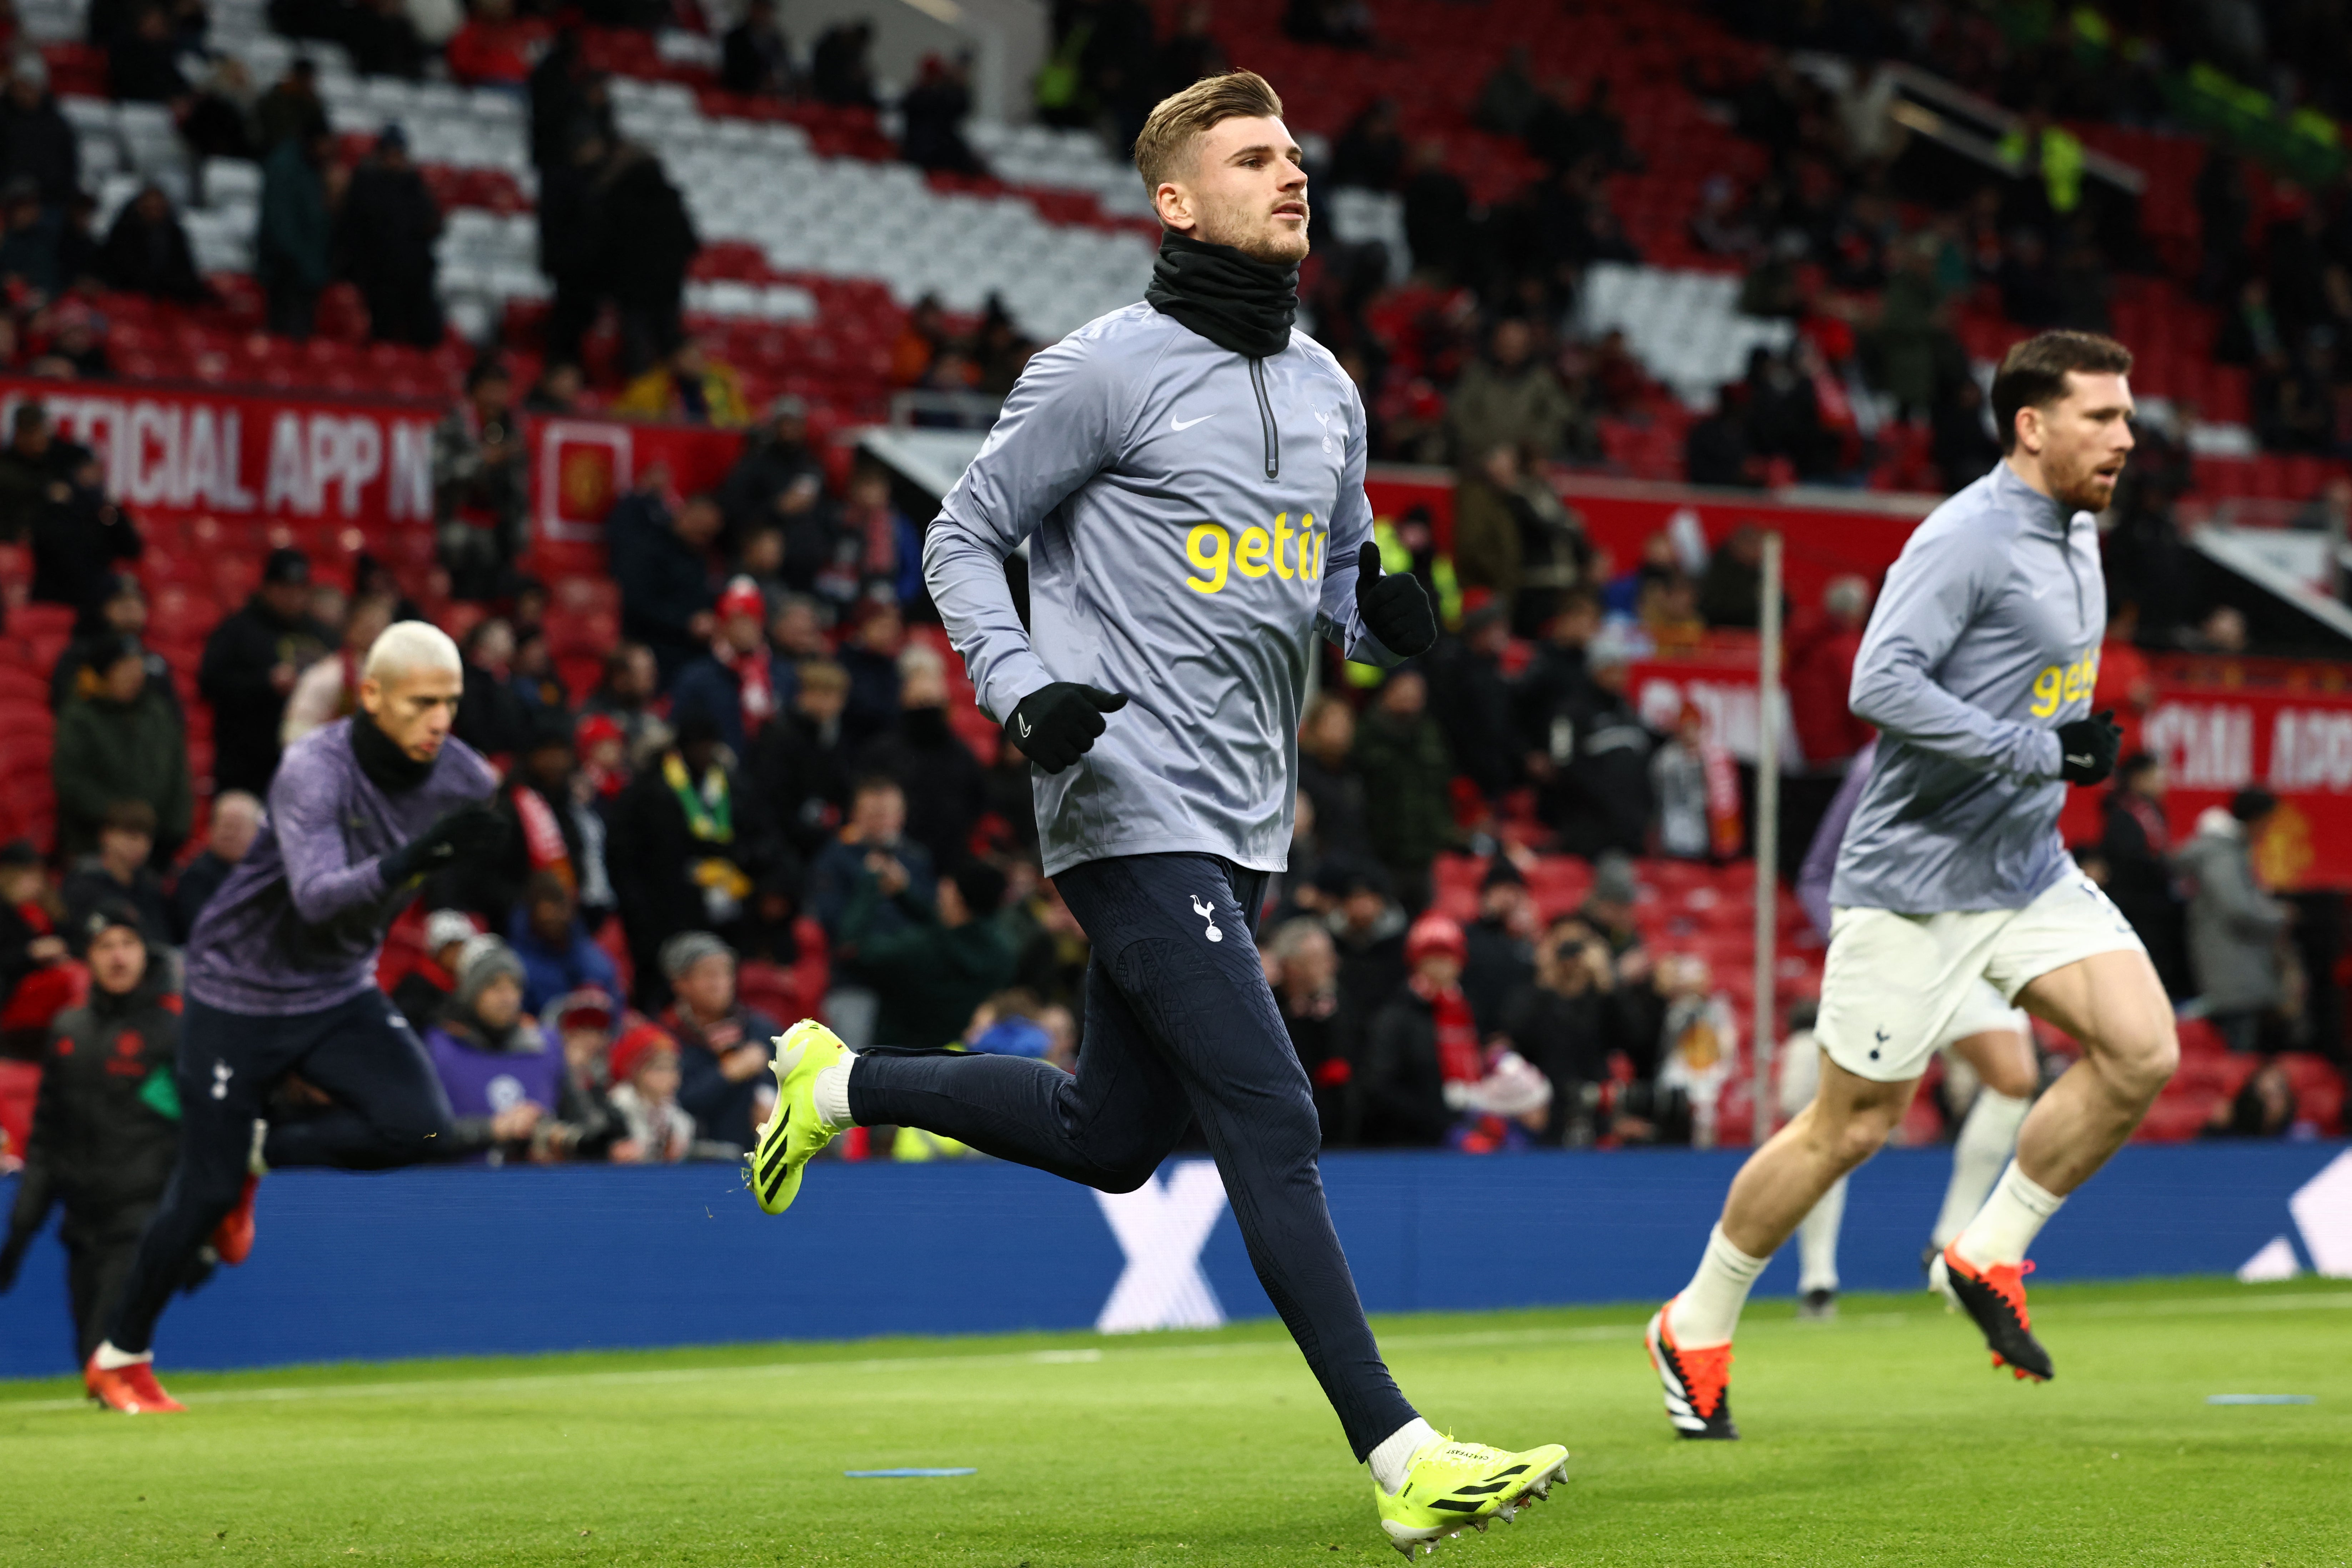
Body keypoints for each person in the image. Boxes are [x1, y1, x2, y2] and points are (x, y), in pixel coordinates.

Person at [742, 72, 1563, 1547]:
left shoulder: (1329, 389)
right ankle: (1404, 1456)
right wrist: (1018, 685)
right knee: (1270, 1107)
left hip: (1247, 815)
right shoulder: (1101, 371)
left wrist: (1385, 621)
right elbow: (961, 533)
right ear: (1176, 201)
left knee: (1112, 1131)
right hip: (1121, 794)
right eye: (1255, 157)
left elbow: (1336, 583)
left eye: (1298, 154)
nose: (1292, 174)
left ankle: (836, 1087)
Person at [1643, 331, 2173, 1443]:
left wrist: (2062, 744)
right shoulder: (1967, 535)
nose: (2127, 438)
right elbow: (1879, 682)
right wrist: (2040, 753)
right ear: (2032, 426)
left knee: (2143, 1049)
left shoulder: (2080, 535)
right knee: (1850, 1129)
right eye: (2104, 418)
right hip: (1918, 884)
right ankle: (1694, 1322)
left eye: (2129, 417)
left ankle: (1985, 1251)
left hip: (2027, 868)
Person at [83, 621, 507, 1413]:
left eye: (450, 703)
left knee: (423, 1130)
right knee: (201, 1192)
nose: (440, 722)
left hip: (337, 987)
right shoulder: (314, 768)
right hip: (237, 990)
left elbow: (486, 847)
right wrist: (413, 861)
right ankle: (120, 1357)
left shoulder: (464, 779)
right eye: (421, 703)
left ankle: (262, 1152)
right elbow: (315, 896)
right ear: (371, 696)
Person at [1783, 738, 2041, 1318]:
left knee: (2015, 1078)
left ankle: (1949, 1246)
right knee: (1845, 1122)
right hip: (1890, 958)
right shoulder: (1872, 763)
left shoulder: (1995, 751)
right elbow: (1817, 874)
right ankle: (1817, 1279)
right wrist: (1859, 943)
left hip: (1964, 951)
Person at [0, 901, 206, 1363]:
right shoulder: (68, 1031)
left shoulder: (171, 1034)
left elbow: (198, 1137)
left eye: (128, 944)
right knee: (90, 1352)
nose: (118, 957)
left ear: (145, 953)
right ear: (88, 958)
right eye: (105, 946)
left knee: (103, 1345)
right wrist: (19, 1236)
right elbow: (47, 1141)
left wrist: (200, 1234)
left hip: (140, 1218)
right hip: (81, 1224)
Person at [606, 712, 772, 1009]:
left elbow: (758, 838)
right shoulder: (649, 791)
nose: (704, 755)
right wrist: (642, 920)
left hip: (725, 913)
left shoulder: (732, 786)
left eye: (710, 747)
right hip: (666, 918)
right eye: (698, 747)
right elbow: (626, 858)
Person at [836, 856, 1013, 1050]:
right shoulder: (1003, 954)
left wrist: (870, 883)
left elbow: (850, 949)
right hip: (956, 1063)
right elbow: (953, 932)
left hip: (895, 1060)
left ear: (956, 896)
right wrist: (904, 895)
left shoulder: (920, 949)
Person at [200, 547, 333, 796]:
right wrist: (265, 683)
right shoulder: (236, 631)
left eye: (300, 589)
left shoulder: (323, 635)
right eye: (284, 589)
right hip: (245, 768)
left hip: (307, 767)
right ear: (266, 588)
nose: (293, 597)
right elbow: (209, 683)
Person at [51, 636, 192, 864]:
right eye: (125, 667)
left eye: (138, 666)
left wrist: (175, 828)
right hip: (97, 845)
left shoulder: (157, 711)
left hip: (159, 842)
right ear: (106, 673)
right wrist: (121, 818)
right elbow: (72, 781)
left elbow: (178, 771)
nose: (135, 674)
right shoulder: (80, 716)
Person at [421, 935, 556, 1165]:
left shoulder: (546, 1047)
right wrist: (491, 1130)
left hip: (536, 1189)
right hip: (458, 1190)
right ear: (471, 994)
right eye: (494, 987)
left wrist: (552, 1134)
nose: (508, 998)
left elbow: (583, 1121)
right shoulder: (438, 1049)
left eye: (514, 986)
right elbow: (423, 1135)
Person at [2177, 787, 2290, 1053]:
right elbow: (2238, 909)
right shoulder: (2221, 856)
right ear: (2256, 818)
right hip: (2231, 972)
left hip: (2236, 970)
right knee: (2235, 1056)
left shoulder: (2232, 851)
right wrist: (2278, 917)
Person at [659, 931, 778, 1151]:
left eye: (727, 974)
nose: (720, 984)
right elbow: (671, 1101)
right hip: (694, 1160)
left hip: (758, 1158)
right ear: (681, 983)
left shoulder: (759, 1029)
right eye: (709, 976)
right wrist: (727, 1074)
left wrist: (770, 1097)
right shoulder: (665, 1037)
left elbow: (791, 1080)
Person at [337, 126, 443, 348]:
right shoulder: (366, 183)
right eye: (392, 154)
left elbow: (430, 223)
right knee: (381, 338)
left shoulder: (413, 184)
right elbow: (355, 232)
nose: (396, 160)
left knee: (426, 336)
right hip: (377, 278)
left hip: (414, 278)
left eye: (400, 154)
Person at [609, 479, 719, 685]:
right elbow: (637, 603)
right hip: (652, 648)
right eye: (701, 530)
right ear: (685, 514)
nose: (703, 539)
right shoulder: (648, 548)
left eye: (709, 534)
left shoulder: (699, 557)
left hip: (692, 653)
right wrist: (686, 623)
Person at [434, 361, 527, 602]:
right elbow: (442, 474)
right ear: (475, 390)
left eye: (503, 390)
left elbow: (520, 485)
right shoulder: (452, 426)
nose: (498, 397)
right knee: (465, 599)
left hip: (501, 533)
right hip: (461, 533)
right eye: (492, 389)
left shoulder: (511, 428)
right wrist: (482, 460)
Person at [669, 575, 791, 758]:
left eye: (752, 620)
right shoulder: (698, 678)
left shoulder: (782, 676)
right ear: (723, 625)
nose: (745, 629)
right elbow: (679, 728)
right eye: (737, 621)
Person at [282, 593, 398, 746]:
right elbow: (294, 734)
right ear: (351, 628)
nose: (376, 635)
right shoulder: (327, 675)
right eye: (369, 627)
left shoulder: (398, 676)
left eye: (382, 627)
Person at [61, 800, 174, 946]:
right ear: (107, 836)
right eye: (131, 837)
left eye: (147, 838)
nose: (141, 845)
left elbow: (162, 939)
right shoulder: (82, 884)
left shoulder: (150, 884)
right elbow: (80, 939)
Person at [508, 870, 619, 1016]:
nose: (555, 917)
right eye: (548, 912)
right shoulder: (516, 966)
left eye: (560, 908)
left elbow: (616, 1010)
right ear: (533, 913)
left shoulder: (594, 961)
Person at [256, 129, 333, 340]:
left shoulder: (314, 171)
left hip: (303, 269)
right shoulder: (287, 168)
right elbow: (282, 227)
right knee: (287, 338)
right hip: (287, 271)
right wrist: (306, 263)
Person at [169, 790, 263, 943]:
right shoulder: (195, 877)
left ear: (257, 833)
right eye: (225, 826)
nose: (229, 834)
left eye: (237, 828)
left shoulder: (266, 873)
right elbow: (201, 931)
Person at [97, 182, 210, 302]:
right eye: (150, 208)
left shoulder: (173, 233)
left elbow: (184, 267)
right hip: (131, 296)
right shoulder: (124, 232)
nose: (155, 212)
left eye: (158, 208)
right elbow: (121, 268)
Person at [605, 1019, 698, 1162]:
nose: (669, 1077)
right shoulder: (616, 1108)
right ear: (635, 1072)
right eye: (659, 1069)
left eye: (673, 1068)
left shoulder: (679, 1118)